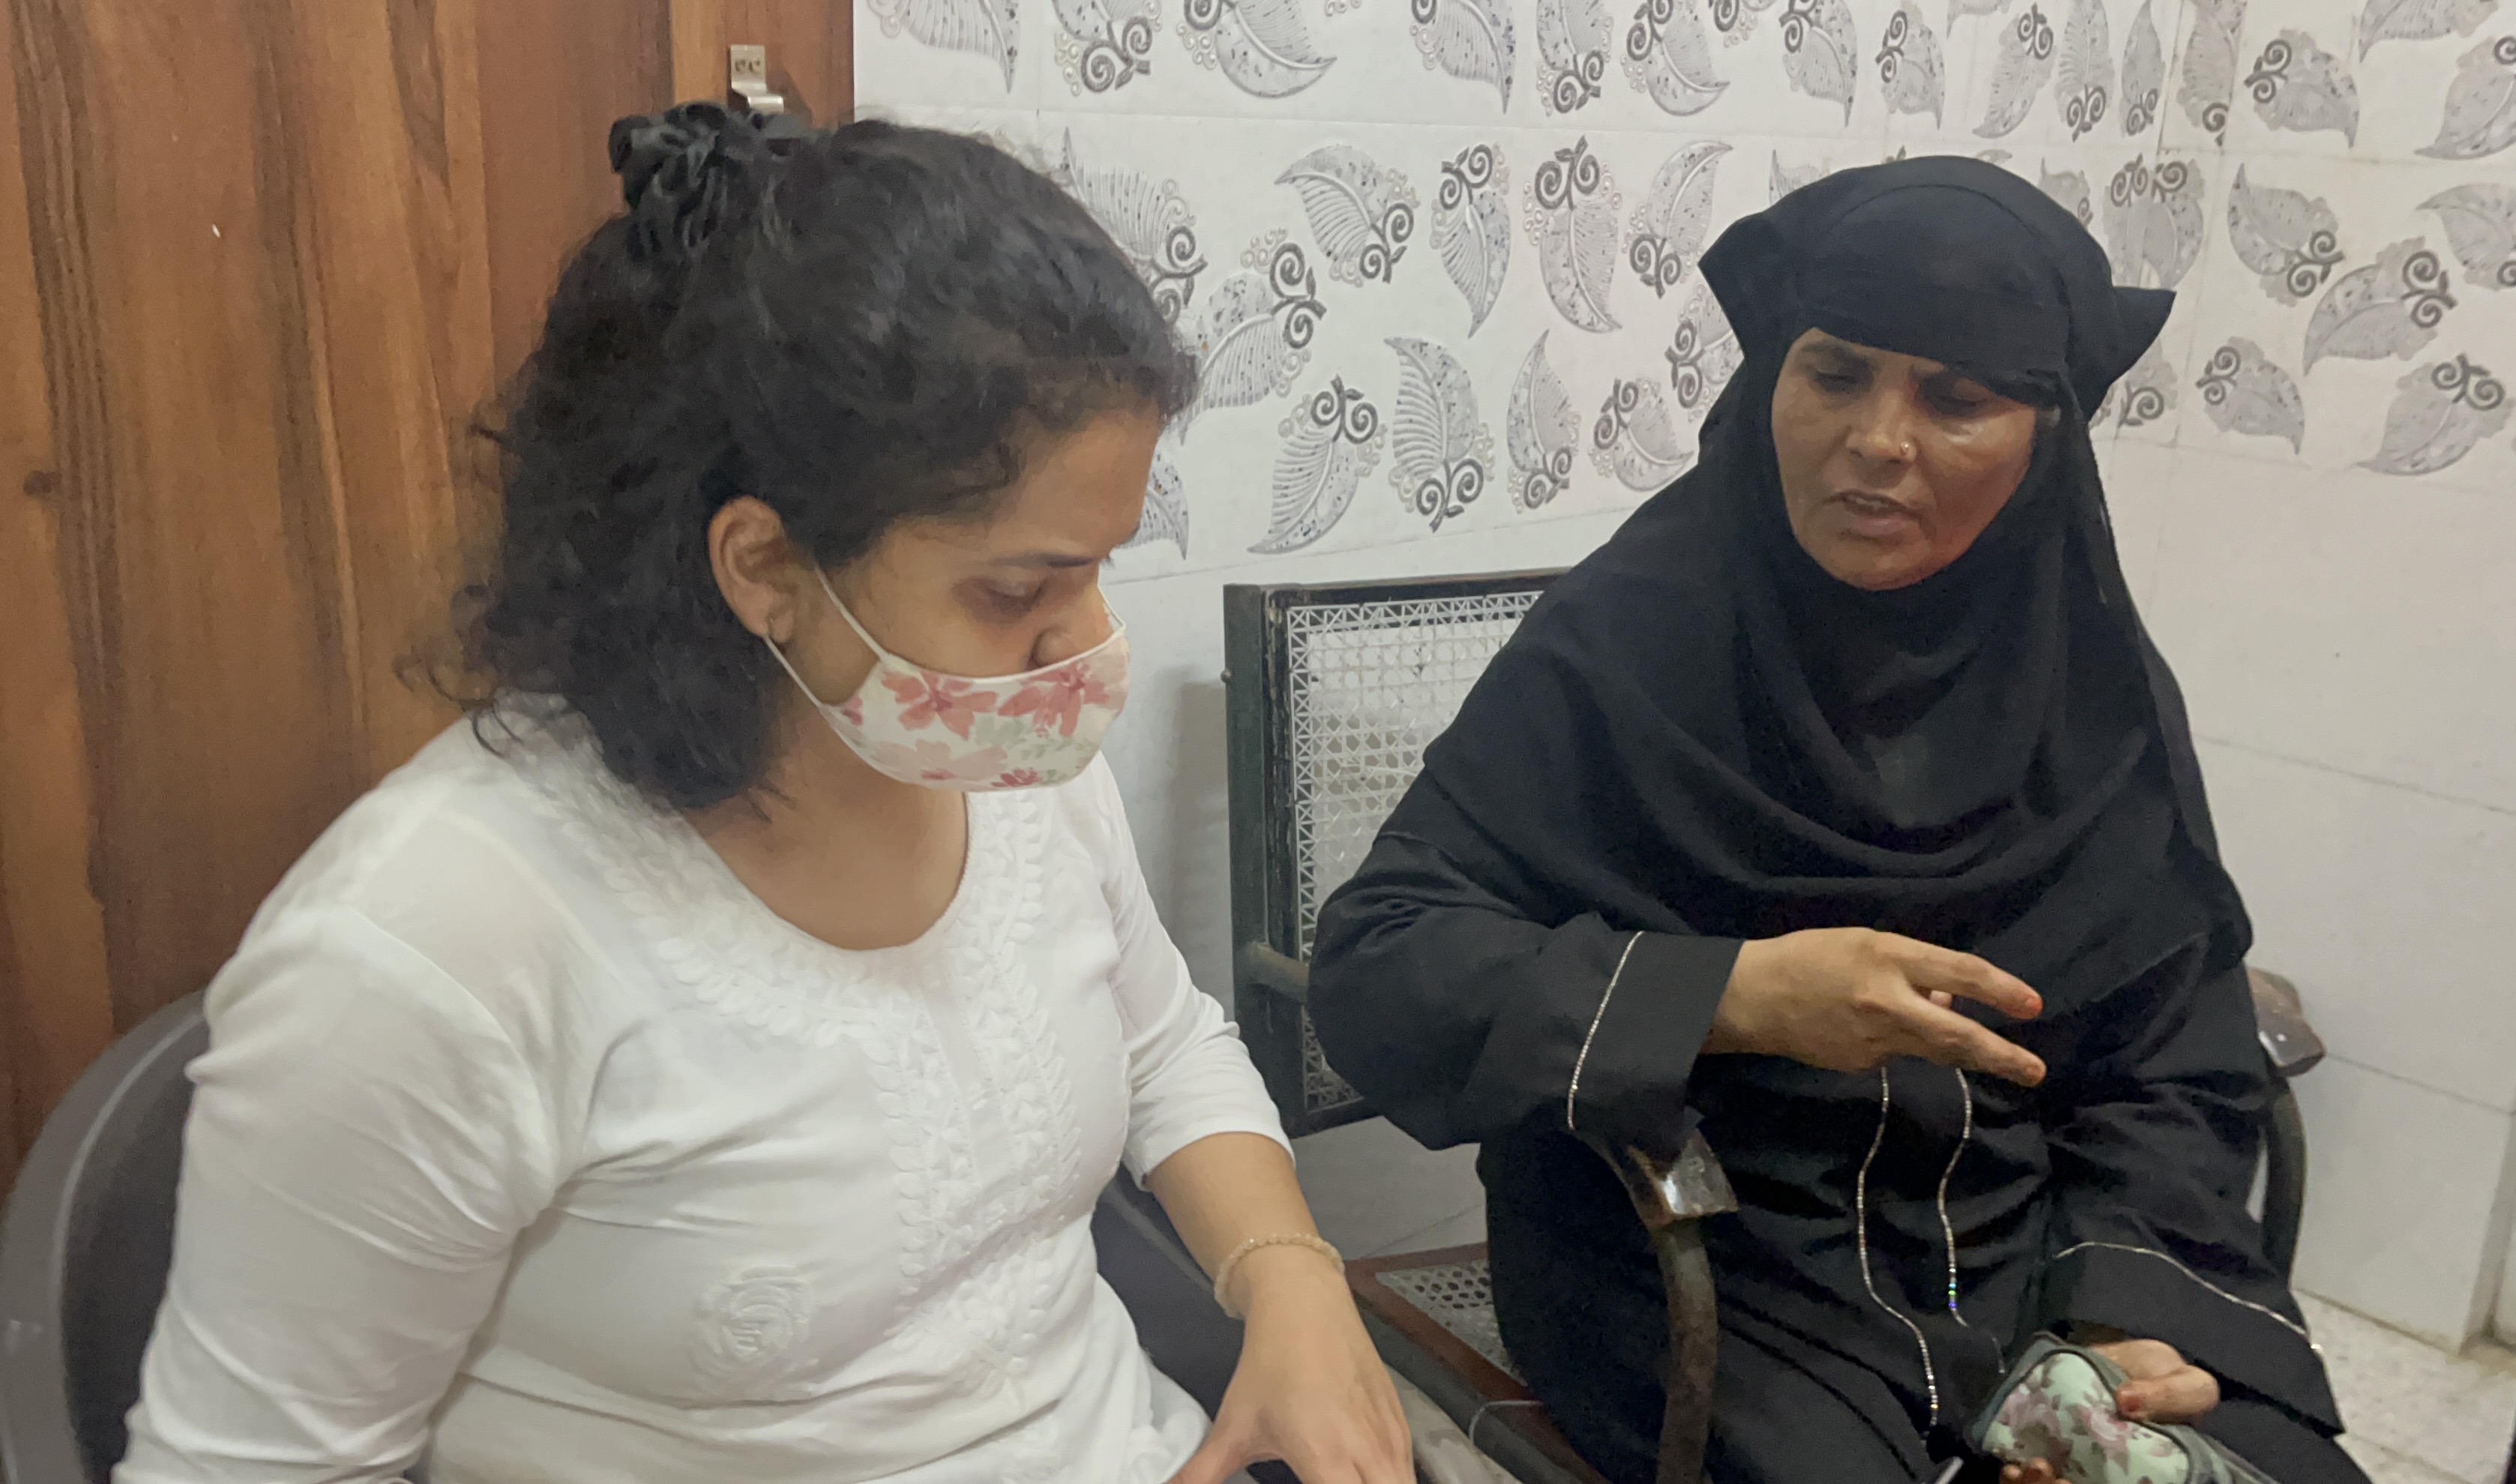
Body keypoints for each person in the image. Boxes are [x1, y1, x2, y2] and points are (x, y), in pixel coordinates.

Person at [116, 105, 1410, 1484]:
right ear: (764, 569)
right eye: (1016, 591)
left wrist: (1289, 1275)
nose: (1080, 647)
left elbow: (1163, 1044)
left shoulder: (1005, 765)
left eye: (1099, 568)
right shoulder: (435, 950)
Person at [1307, 157, 2364, 1484]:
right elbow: (1383, 959)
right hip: (1698, 1252)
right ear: (1773, 379)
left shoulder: (2090, 689)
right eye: (1837, 373)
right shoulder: (1628, 641)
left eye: (1957, 399)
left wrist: (2121, 1316)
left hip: (2025, 1242)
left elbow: (2170, 1054)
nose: (1878, 440)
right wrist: (1733, 994)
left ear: (2046, 436)